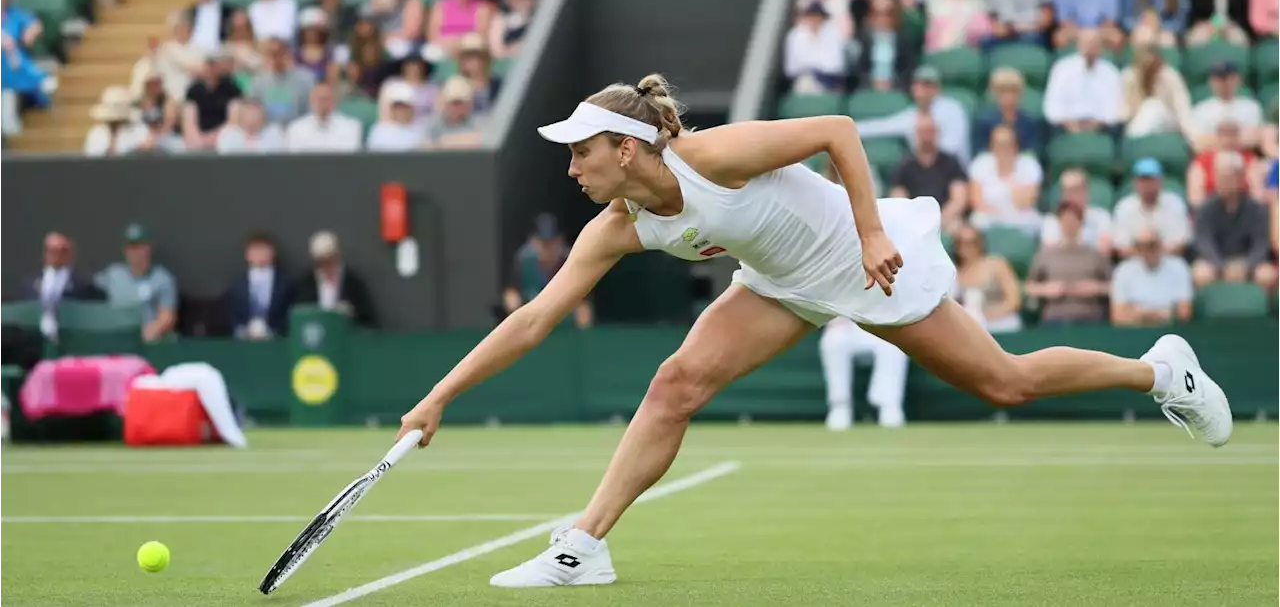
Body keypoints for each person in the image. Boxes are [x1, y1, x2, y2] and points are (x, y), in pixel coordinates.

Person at [395, 74, 1233, 588]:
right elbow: (536, 317)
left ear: (625, 147)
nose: (571, 168)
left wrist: (872, 233)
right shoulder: (617, 225)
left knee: (1003, 381)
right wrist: (437, 396)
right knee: (674, 384)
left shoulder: (712, 156)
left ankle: (1161, 373)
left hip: (862, 258)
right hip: (778, 284)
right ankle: (584, 546)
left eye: (581, 153)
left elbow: (839, 131)